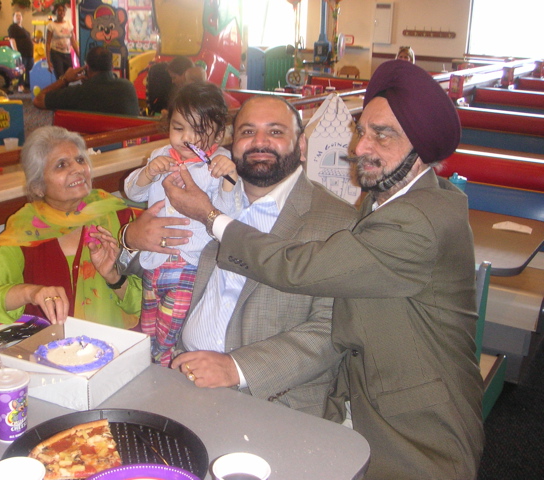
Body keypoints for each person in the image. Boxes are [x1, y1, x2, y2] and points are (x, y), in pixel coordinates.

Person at [154, 60, 484, 479]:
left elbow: (300, 271)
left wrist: (209, 216)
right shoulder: (383, 200)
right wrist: (131, 241)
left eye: (383, 135)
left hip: (416, 424)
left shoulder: (415, 222)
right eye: (362, 131)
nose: (360, 147)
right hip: (339, 395)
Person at [168, 95, 356, 416]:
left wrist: (236, 368)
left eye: (276, 132)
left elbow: (333, 328)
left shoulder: (338, 223)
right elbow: (166, 259)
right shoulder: (206, 195)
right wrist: (128, 242)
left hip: (271, 401)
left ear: (302, 145)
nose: (259, 141)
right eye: (247, 131)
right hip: (181, 374)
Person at [0, 126, 142, 328]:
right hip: (47, 344)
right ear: (38, 187)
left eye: (80, 160)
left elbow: (146, 302)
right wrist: (31, 292)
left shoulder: (117, 216)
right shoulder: (26, 232)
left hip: (114, 344)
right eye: (61, 165)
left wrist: (114, 277)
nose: (78, 169)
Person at [123, 82, 241, 366]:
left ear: (219, 133)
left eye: (198, 131)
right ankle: (151, 365)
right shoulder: (160, 155)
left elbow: (227, 217)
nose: (186, 138)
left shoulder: (220, 164)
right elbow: (132, 192)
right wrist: (148, 173)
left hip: (190, 264)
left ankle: (162, 366)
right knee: (148, 324)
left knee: (169, 332)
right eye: (178, 128)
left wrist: (229, 181)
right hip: (154, 259)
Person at [34, 46, 139, 116]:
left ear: (86, 68)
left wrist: (65, 79)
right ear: (112, 67)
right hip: (126, 142)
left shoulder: (78, 93)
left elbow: (38, 100)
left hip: (90, 142)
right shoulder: (128, 88)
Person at [46, 3, 80, 79]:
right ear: (55, 12)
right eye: (59, 10)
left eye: (63, 10)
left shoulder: (69, 24)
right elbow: (47, 43)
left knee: (69, 76)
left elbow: (73, 42)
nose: (61, 12)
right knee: (60, 77)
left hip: (67, 53)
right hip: (56, 53)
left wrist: (79, 56)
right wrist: (48, 61)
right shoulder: (51, 26)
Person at [8, 11, 34, 92]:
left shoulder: (23, 29)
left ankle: (28, 85)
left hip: (29, 54)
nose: (18, 17)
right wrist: (16, 52)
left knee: (29, 70)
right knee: (20, 70)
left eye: (20, 15)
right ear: (13, 18)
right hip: (21, 53)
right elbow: (12, 40)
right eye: (16, 16)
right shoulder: (12, 27)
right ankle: (20, 85)